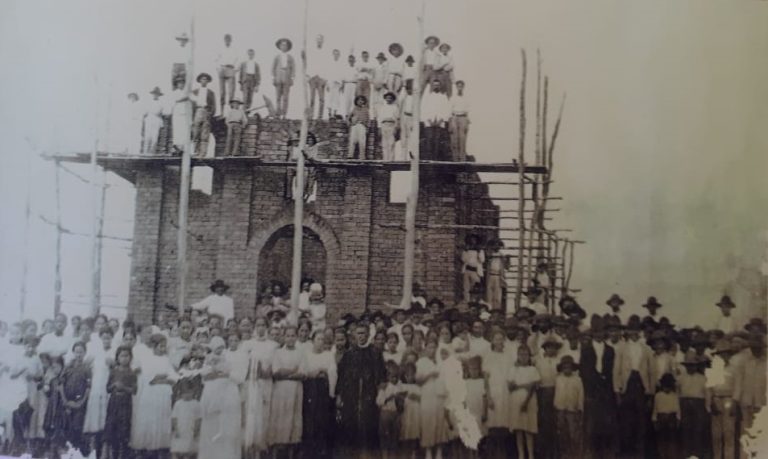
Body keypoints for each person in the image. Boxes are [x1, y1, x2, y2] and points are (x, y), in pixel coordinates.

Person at [335, 323, 387, 457]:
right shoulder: (349, 354)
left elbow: (381, 375)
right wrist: (339, 395)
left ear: (368, 335)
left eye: (363, 333)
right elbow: (341, 377)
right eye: (358, 333)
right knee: (351, 428)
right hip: (350, 397)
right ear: (354, 335)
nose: (361, 336)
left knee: (368, 428)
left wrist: (381, 392)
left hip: (369, 396)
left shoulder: (375, 353)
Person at [130, 334, 178, 455]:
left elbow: (173, 377)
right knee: (151, 419)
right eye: (160, 346)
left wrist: (162, 379)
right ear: (154, 346)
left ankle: (160, 445)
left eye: (164, 346)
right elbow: (150, 379)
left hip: (164, 395)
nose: (163, 349)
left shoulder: (166, 359)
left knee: (162, 419)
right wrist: (162, 377)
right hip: (151, 395)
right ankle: (149, 446)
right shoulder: (148, 359)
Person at [198, 336, 242, 459]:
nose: (219, 350)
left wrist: (223, 372)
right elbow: (204, 376)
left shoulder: (227, 358)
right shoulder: (208, 359)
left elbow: (234, 376)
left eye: (221, 348)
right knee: (211, 426)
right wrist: (213, 370)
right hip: (211, 393)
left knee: (225, 427)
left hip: (226, 395)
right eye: (217, 348)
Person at [614, 321, 653, 457]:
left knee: (641, 420)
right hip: (627, 385)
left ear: (640, 331)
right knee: (626, 420)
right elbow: (616, 370)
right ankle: (627, 453)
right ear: (628, 331)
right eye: (631, 330)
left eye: (636, 330)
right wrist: (617, 392)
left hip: (641, 385)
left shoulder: (646, 348)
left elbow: (651, 372)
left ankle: (640, 452)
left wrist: (650, 393)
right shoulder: (622, 348)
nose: (634, 333)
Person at [242, 317, 279, 458]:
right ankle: (249, 450)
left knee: (264, 416)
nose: (261, 328)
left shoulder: (273, 345)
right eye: (258, 325)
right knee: (250, 415)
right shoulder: (247, 344)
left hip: (266, 384)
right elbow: (243, 365)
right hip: (251, 384)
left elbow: (275, 366)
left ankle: (261, 451)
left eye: (263, 325)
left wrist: (266, 372)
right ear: (254, 327)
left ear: (267, 327)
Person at [299, 329, 337, 459]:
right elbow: (304, 372)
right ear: (313, 341)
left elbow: (332, 372)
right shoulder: (306, 355)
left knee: (323, 421)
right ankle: (309, 452)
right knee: (310, 421)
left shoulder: (328, 355)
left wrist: (322, 371)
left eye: (323, 340)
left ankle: (322, 452)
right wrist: (314, 372)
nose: (321, 342)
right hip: (310, 389)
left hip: (323, 390)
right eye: (318, 339)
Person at [267, 326, 304, 457]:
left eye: (293, 335)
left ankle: (290, 454)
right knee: (280, 418)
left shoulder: (300, 353)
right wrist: (292, 371)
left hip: (295, 390)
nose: (290, 338)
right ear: (284, 337)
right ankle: (276, 454)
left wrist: (287, 372)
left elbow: (302, 373)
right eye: (287, 336)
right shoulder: (278, 353)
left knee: (293, 419)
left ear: (296, 337)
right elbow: (276, 372)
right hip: (281, 391)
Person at [83, 328, 114, 457]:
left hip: (108, 390)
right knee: (95, 422)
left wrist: (112, 364)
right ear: (100, 338)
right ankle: (93, 451)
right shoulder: (95, 352)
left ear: (112, 338)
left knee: (106, 421)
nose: (106, 340)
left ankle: (106, 453)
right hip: (96, 388)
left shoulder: (114, 351)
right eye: (104, 337)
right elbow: (86, 368)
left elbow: (117, 368)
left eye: (108, 337)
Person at [507, 345, 540, 459]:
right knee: (518, 430)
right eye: (521, 354)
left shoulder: (533, 369)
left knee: (528, 429)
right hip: (515, 401)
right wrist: (526, 385)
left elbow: (534, 386)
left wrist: (526, 401)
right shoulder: (513, 369)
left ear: (529, 356)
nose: (523, 357)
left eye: (526, 355)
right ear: (517, 356)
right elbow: (510, 387)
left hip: (529, 402)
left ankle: (531, 455)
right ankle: (521, 455)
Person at [103, 346, 136, 459]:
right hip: (114, 403)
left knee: (123, 431)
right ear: (117, 358)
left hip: (125, 404)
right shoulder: (114, 371)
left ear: (130, 357)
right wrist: (114, 385)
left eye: (127, 356)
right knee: (112, 431)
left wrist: (124, 387)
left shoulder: (132, 373)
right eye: (122, 355)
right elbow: (107, 388)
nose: (124, 358)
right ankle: (113, 455)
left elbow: (134, 390)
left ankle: (123, 455)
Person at [59, 341, 92, 455]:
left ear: (85, 353)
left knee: (77, 426)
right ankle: (67, 451)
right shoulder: (68, 366)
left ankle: (77, 450)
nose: (78, 354)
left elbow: (88, 387)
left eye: (81, 352)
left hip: (79, 403)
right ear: (73, 352)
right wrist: (65, 401)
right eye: (76, 352)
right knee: (66, 426)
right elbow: (61, 384)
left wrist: (81, 402)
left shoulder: (87, 368)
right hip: (66, 401)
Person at [708, 339, 737, 459]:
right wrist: (711, 402)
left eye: (726, 353)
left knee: (729, 433)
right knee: (716, 435)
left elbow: (737, 386)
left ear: (729, 355)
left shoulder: (734, 369)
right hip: (716, 399)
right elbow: (709, 387)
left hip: (729, 399)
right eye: (721, 354)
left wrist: (735, 402)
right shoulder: (713, 369)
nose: (723, 356)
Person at [678, 354, 709, 459]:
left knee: (698, 429)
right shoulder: (680, 378)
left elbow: (707, 394)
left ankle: (697, 454)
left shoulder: (703, 378)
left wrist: (707, 408)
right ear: (685, 366)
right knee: (686, 429)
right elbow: (678, 394)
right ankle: (686, 454)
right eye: (688, 365)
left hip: (698, 404)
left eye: (693, 365)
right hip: (685, 403)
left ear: (696, 366)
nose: (690, 367)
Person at [534, 338, 561, 459]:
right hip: (543, 393)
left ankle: (556, 452)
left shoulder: (559, 361)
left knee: (556, 422)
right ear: (545, 349)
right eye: (549, 347)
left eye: (554, 347)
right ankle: (544, 453)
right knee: (544, 422)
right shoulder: (539, 361)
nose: (551, 349)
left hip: (557, 391)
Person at [553, 355, 584, 459]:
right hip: (561, 409)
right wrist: (556, 407)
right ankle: (564, 453)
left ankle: (575, 454)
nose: (567, 369)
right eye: (564, 367)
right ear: (561, 368)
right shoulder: (558, 379)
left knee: (573, 433)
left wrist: (580, 408)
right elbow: (556, 393)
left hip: (572, 409)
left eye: (569, 367)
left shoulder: (577, 379)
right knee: (562, 432)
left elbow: (580, 395)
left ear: (573, 368)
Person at [376, 362, 403, 459]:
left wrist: (400, 399)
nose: (394, 379)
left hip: (395, 414)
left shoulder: (399, 387)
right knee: (384, 435)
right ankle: (385, 456)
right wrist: (389, 397)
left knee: (395, 435)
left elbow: (401, 403)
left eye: (396, 377)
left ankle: (393, 455)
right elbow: (379, 402)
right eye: (392, 377)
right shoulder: (384, 387)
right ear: (388, 377)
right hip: (385, 413)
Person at [652, 373, 681, 459]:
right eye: (665, 385)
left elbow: (678, 409)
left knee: (672, 440)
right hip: (661, 419)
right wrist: (654, 420)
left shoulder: (674, 396)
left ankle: (671, 456)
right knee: (661, 440)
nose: (667, 388)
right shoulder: (658, 396)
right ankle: (662, 456)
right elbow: (655, 410)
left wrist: (678, 420)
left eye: (669, 386)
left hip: (671, 419)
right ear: (662, 385)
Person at [170, 379, 201, 459]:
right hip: (180, 429)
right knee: (177, 449)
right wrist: (175, 429)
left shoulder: (196, 404)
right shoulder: (178, 404)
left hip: (191, 429)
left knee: (190, 449)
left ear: (193, 392)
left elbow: (198, 418)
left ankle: (187, 456)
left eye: (189, 392)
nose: (187, 395)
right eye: (184, 393)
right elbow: (174, 418)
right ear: (180, 393)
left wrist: (196, 430)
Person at [421, 79, 451, 160]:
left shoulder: (443, 97)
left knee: (438, 142)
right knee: (429, 141)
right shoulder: (428, 97)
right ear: (432, 86)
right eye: (435, 85)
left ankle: (436, 160)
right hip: (429, 123)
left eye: (438, 85)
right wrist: (429, 120)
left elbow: (447, 110)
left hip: (439, 123)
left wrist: (441, 120)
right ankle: (429, 160)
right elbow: (423, 109)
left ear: (440, 86)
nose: (436, 86)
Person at [191, 72, 216, 157]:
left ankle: (203, 153)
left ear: (208, 81)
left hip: (206, 111)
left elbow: (213, 105)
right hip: (197, 111)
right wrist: (192, 116)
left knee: (205, 134)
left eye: (205, 79)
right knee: (195, 132)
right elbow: (191, 105)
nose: (204, 81)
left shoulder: (211, 92)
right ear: (199, 81)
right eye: (202, 79)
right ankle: (195, 151)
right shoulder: (194, 92)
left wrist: (210, 114)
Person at [272, 38, 295, 119]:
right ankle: (278, 113)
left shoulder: (290, 57)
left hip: (287, 77)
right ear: (280, 46)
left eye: (285, 45)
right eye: (282, 45)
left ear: (287, 47)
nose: (283, 46)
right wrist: (274, 77)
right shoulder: (277, 57)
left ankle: (284, 114)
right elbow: (273, 68)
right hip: (278, 76)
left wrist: (292, 78)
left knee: (285, 97)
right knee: (278, 96)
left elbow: (293, 68)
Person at [216, 34, 239, 114]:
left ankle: (231, 111)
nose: (227, 41)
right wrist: (218, 69)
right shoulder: (220, 48)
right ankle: (221, 111)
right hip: (222, 68)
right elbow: (216, 59)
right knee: (222, 92)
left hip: (230, 69)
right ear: (224, 40)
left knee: (231, 91)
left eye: (229, 39)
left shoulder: (234, 49)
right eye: (226, 39)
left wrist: (235, 70)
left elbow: (237, 59)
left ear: (231, 40)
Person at [307, 34, 328, 119]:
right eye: (318, 39)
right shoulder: (312, 50)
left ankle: (320, 116)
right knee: (312, 99)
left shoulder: (325, 52)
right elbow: (308, 62)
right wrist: (308, 76)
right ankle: (311, 115)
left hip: (321, 78)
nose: (319, 41)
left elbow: (327, 65)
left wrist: (325, 78)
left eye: (321, 39)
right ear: (316, 40)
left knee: (321, 99)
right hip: (312, 77)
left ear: (323, 41)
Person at [461, 234, 485, 303]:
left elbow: (482, 260)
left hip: (475, 271)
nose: (473, 241)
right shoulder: (467, 249)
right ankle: (467, 301)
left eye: (474, 240)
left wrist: (479, 252)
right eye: (471, 239)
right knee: (466, 288)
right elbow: (463, 259)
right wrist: (465, 251)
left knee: (475, 287)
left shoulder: (480, 250)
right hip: (467, 270)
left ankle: (474, 301)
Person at [449, 80, 470, 161]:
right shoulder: (453, 98)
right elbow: (449, 110)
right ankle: (455, 161)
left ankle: (462, 160)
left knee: (462, 140)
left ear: (463, 87)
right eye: (458, 86)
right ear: (456, 87)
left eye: (461, 86)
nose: (460, 88)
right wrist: (451, 122)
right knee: (454, 141)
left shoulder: (466, 98)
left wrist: (467, 122)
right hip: (454, 118)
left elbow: (469, 110)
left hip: (463, 118)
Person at [377, 91, 399, 161]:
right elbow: (379, 118)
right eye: (387, 98)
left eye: (390, 98)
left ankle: (391, 160)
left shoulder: (395, 107)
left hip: (391, 125)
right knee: (384, 143)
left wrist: (396, 127)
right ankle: (385, 160)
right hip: (384, 125)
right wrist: (379, 128)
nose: (389, 99)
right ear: (385, 99)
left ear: (393, 99)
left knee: (391, 143)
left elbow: (397, 118)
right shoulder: (382, 107)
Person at [143, 86, 165, 155]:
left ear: (159, 95)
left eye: (157, 94)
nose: (155, 95)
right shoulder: (148, 102)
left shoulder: (161, 103)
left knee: (154, 138)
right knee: (147, 137)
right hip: (149, 119)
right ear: (152, 94)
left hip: (156, 120)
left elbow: (161, 111)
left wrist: (159, 113)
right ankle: (145, 153)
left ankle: (152, 153)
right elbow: (145, 111)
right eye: (154, 93)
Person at [327, 49, 345, 119]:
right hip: (331, 83)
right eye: (335, 54)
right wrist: (327, 84)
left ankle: (334, 114)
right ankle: (329, 113)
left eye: (337, 54)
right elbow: (328, 74)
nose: (336, 55)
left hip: (338, 83)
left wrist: (342, 84)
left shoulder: (341, 64)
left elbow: (343, 75)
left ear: (339, 55)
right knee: (330, 98)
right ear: (333, 54)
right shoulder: (330, 63)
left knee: (336, 99)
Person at [398, 84, 415, 160]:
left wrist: (414, 122)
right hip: (404, 117)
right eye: (408, 89)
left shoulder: (415, 99)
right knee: (403, 137)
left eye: (410, 89)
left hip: (411, 117)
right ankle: (403, 156)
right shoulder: (403, 98)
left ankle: (410, 156)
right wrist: (399, 120)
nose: (409, 91)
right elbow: (400, 109)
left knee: (411, 137)